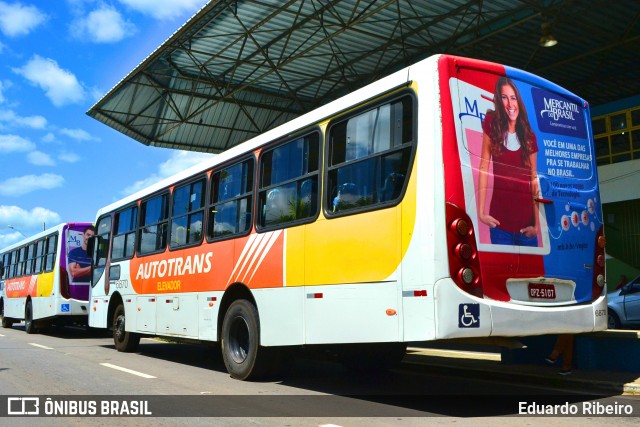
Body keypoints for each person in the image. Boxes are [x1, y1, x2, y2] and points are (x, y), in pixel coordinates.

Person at [478, 77, 539, 246]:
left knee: (532, 274)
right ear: (499, 100)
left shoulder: (529, 137)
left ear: (518, 101)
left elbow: (534, 179)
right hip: (500, 227)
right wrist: (481, 212)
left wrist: (536, 226)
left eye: (513, 98)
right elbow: (483, 166)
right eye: (504, 97)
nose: (510, 104)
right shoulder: (491, 124)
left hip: (527, 229)